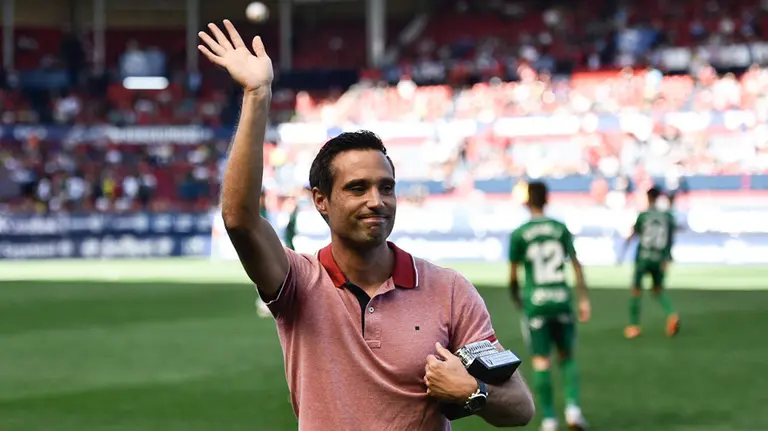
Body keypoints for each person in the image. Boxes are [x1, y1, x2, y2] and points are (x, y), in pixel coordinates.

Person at [197, 20, 535, 431]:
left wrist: (472, 391)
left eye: (386, 187)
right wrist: (256, 94)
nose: (376, 200)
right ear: (321, 200)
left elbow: (520, 407)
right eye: (357, 188)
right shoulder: (299, 283)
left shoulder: (448, 290)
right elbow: (240, 219)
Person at [508, 181, 590, 431]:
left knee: (541, 361)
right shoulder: (559, 228)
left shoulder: (519, 233)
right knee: (567, 357)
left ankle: (549, 420)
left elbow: (513, 277)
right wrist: (583, 298)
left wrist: (519, 301)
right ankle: (573, 411)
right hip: (561, 300)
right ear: (547, 199)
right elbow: (575, 264)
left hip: (536, 304)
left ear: (527, 201)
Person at [617, 186, 680, 339]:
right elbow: (670, 239)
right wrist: (668, 257)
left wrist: (622, 252)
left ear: (648, 198)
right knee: (658, 290)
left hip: (643, 257)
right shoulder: (667, 217)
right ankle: (671, 314)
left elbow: (634, 233)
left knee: (636, 291)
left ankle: (634, 326)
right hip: (659, 258)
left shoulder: (643, 216)